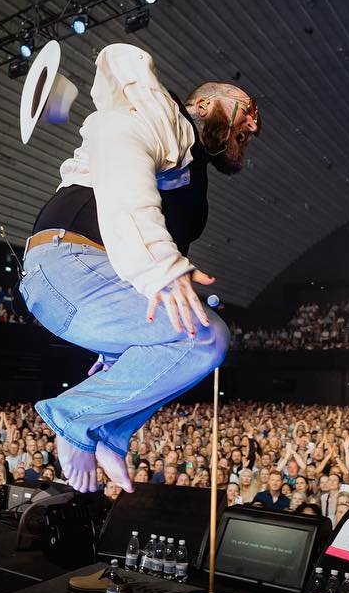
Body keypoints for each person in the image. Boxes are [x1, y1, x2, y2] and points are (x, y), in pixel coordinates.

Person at [19, 44, 260, 494]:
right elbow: (120, 144)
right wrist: (161, 267)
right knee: (206, 334)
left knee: (200, 339)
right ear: (205, 104)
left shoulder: (190, 172)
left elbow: (143, 281)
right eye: (247, 110)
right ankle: (75, 417)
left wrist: (117, 351)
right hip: (66, 261)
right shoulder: (158, 111)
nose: (252, 124)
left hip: (87, 278)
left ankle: (107, 430)